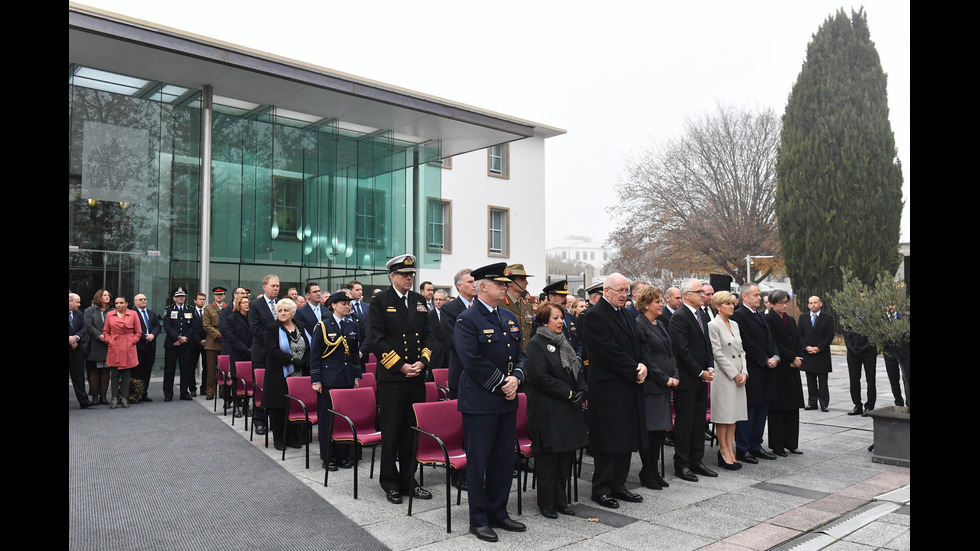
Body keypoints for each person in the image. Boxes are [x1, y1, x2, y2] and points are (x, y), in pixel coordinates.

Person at [453, 263, 526, 541]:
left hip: (506, 402)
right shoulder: (467, 319)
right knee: (479, 461)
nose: (505, 287)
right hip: (481, 402)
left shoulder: (507, 316)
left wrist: (517, 377)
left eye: (505, 284)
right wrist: (502, 383)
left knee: (503, 460)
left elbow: (521, 354)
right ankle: (479, 518)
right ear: (484, 286)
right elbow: (472, 360)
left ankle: (499, 512)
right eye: (500, 284)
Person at [365, 254, 433, 505]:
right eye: (404, 274)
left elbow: (429, 335)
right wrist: (401, 366)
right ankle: (391, 483)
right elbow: (375, 339)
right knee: (392, 432)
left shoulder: (419, 301)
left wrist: (422, 362)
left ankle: (409, 479)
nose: (409, 278)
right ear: (392, 275)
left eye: (412, 274)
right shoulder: (380, 301)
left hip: (416, 377)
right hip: (393, 378)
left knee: (411, 432)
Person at [578, 273, 648, 508]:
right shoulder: (595, 315)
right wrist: (633, 368)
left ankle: (619, 484)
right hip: (608, 387)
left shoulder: (626, 313)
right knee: (608, 438)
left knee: (626, 436)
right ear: (606, 291)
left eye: (626, 290)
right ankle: (602, 488)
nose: (624, 294)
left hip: (628, 384)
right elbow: (606, 350)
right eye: (619, 290)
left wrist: (642, 365)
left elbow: (637, 344)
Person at [525, 302, 587, 518]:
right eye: (555, 318)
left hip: (568, 410)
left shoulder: (564, 342)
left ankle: (561, 500)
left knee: (566, 458)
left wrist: (581, 390)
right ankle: (547, 503)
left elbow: (576, 369)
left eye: (562, 317)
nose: (561, 321)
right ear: (544, 321)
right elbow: (540, 377)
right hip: (548, 410)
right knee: (550, 459)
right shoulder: (536, 344)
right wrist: (568, 393)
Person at [668, 278, 716, 482]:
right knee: (685, 423)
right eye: (699, 292)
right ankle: (682, 463)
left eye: (703, 293)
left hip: (701, 379)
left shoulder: (701, 315)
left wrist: (710, 367)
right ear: (686, 295)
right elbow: (682, 350)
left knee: (698, 423)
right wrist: (699, 372)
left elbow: (707, 346)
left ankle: (697, 459)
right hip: (687, 380)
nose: (703, 295)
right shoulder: (680, 317)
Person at [633, 286, 679, 490]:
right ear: (645, 304)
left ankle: (653, 469)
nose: (661, 304)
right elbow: (647, 359)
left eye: (661, 301)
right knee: (650, 432)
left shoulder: (659, 324)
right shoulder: (639, 325)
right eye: (657, 301)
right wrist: (664, 379)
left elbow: (670, 353)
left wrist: (675, 375)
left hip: (664, 384)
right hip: (652, 386)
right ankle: (647, 470)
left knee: (660, 431)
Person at [311, 290, 361, 470]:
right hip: (329, 379)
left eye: (349, 303)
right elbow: (315, 355)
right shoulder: (323, 326)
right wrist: (316, 380)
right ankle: (328, 457)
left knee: (344, 419)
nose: (347, 306)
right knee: (327, 419)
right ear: (333, 305)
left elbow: (355, 354)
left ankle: (343, 455)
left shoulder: (352, 326)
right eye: (343, 303)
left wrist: (356, 376)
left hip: (347, 377)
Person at [730, 283, 779, 463]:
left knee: (762, 409)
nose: (759, 298)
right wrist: (764, 360)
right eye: (756, 295)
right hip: (752, 368)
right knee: (749, 410)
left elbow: (770, 339)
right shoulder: (738, 316)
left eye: (760, 295)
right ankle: (743, 448)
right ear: (745, 297)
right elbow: (747, 342)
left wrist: (775, 356)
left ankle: (756, 445)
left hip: (767, 370)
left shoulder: (760, 315)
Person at [707, 291, 748, 470]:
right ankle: (723, 451)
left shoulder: (735, 324)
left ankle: (730, 449)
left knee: (733, 416)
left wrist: (744, 372)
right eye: (727, 303)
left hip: (739, 375)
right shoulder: (713, 325)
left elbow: (742, 350)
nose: (732, 306)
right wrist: (734, 374)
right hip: (724, 376)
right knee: (724, 416)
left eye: (733, 303)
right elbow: (717, 353)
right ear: (718, 306)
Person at [263, 298, 310, 451]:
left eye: (285, 310)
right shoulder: (272, 328)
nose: (282, 313)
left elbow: (309, 345)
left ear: (293, 312)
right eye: (280, 311)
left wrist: (304, 361)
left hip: (300, 374)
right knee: (279, 408)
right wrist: (291, 360)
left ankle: (293, 437)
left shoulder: (301, 326)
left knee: (295, 406)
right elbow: (273, 350)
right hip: (279, 374)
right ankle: (279, 438)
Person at [764, 290, 805, 455]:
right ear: (773, 303)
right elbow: (774, 343)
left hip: (792, 368)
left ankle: (791, 443)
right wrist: (791, 357)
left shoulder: (791, 320)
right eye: (781, 302)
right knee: (778, 408)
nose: (784, 305)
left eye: (786, 302)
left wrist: (798, 358)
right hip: (779, 367)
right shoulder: (769, 319)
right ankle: (777, 445)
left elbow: (797, 340)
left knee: (792, 407)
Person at [249, 275, 281, 434]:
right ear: (264, 287)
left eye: (277, 286)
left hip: (278, 354)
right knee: (260, 388)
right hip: (262, 353)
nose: (276, 288)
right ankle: (259, 421)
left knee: (275, 389)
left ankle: (275, 420)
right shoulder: (255, 305)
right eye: (273, 286)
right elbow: (255, 328)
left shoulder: (281, 304)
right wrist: (274, 340)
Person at [441, 268, 475, 399]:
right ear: (459, 286)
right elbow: (453, 341)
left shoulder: (481, 306)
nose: (474, 285)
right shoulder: (449, 308)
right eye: (470, 282)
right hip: (461, 372)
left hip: (483, 376)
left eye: (475, 281)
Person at [163, 286, 201, 402]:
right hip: (172, 344)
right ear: (174, 298)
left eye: (183, 296)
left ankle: (184, 393)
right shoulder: (169, 310)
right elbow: (167, 326)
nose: (181, 298)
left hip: (186, 344)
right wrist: (178, 338)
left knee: (186, 369)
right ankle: (168, 394)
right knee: (169, 370)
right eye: (178, 296)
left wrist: (184, 338)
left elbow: (193, 326)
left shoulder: (190, 310)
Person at [104, 295, 142, 408]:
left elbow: (138, 332)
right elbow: (106, 331)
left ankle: (125, 397)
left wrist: (132, 341)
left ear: (126, 304)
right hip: (115, 347)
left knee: (126, 374)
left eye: (121, 303)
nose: (119, 305)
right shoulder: (110, 315)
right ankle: (114, 398)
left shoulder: (133, 314)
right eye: (116, 303)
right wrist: (110, 341)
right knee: (114, 374)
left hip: (127, 346)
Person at [798, 296, 834, 411]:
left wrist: (819, 348)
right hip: (808, 354)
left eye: (815, 303)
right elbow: (800, 335)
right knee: (810, 379)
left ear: (820, 304)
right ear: (808, 305)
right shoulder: (803, 317)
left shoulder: (828, 318)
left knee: (823, 380)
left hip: (822, 354)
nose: (813, 305)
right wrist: (806, 347)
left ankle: (824, 403)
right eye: (811, 303)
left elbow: (830, 335)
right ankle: (812, 402)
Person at [224, 294, 253, 414]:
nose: (247, 304)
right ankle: (236, 405)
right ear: (238, 305)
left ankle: (246, 405)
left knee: (249, 379)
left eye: (248, 302)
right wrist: (244, 349)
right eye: (244, 302)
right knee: (237, 379)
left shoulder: (252, 318)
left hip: (251, 353)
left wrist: (251, 349)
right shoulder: (232, 318)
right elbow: (231, 337)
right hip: (238, 353)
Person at [84, 289, 112, 405]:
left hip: (109, 344)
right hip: (95, 344)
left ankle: (104, 397)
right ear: (98, 297)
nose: (107, 297)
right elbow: (89, 326)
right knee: (95, 371)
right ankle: (95, 396)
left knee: (106, 370)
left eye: (108, 295)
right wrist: (99, 335)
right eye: (104, 295)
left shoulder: (113, 310)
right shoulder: (89, 311)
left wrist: (109, 337)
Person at [133, 293, 159, 402]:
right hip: (138, 346)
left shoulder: (152, 314)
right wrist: (144, 336)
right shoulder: (132, 314)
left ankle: (144, 393)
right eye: (140, 299)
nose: (143, 301)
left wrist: (153, 335)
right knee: (137, 371)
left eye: (145, 299)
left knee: (147, 371)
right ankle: (135, 394)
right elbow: (132, 328)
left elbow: (158, 326)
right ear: (135, 302)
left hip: (150, 347)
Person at [69, 293, 93, 409]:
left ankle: (84, 401)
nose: (79, 304)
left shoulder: (79, 314)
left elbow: (84, 328)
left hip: (76, 350)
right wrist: (70, 339)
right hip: (71, 345)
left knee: (78, 377)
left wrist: (76, 338)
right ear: (69, 301)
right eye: (77, 302)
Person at [502, 264, 535, 350]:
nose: (526, 282)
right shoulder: (499, 304)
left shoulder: (528, 306)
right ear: (510, 282)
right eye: (522, 279)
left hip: (527, 357)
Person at [202, 286, 226, 400]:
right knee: (211, 370)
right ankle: (210, 392)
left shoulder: (227, 308)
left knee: (224, 369)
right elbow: (206, 325)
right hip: (212, 342)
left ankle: (222, 392)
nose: (219, 296)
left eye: (221, 294)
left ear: (224, 295)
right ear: (214, 296)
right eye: (217, 295)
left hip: (225, 342)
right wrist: (217, 334)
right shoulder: (208, 308)